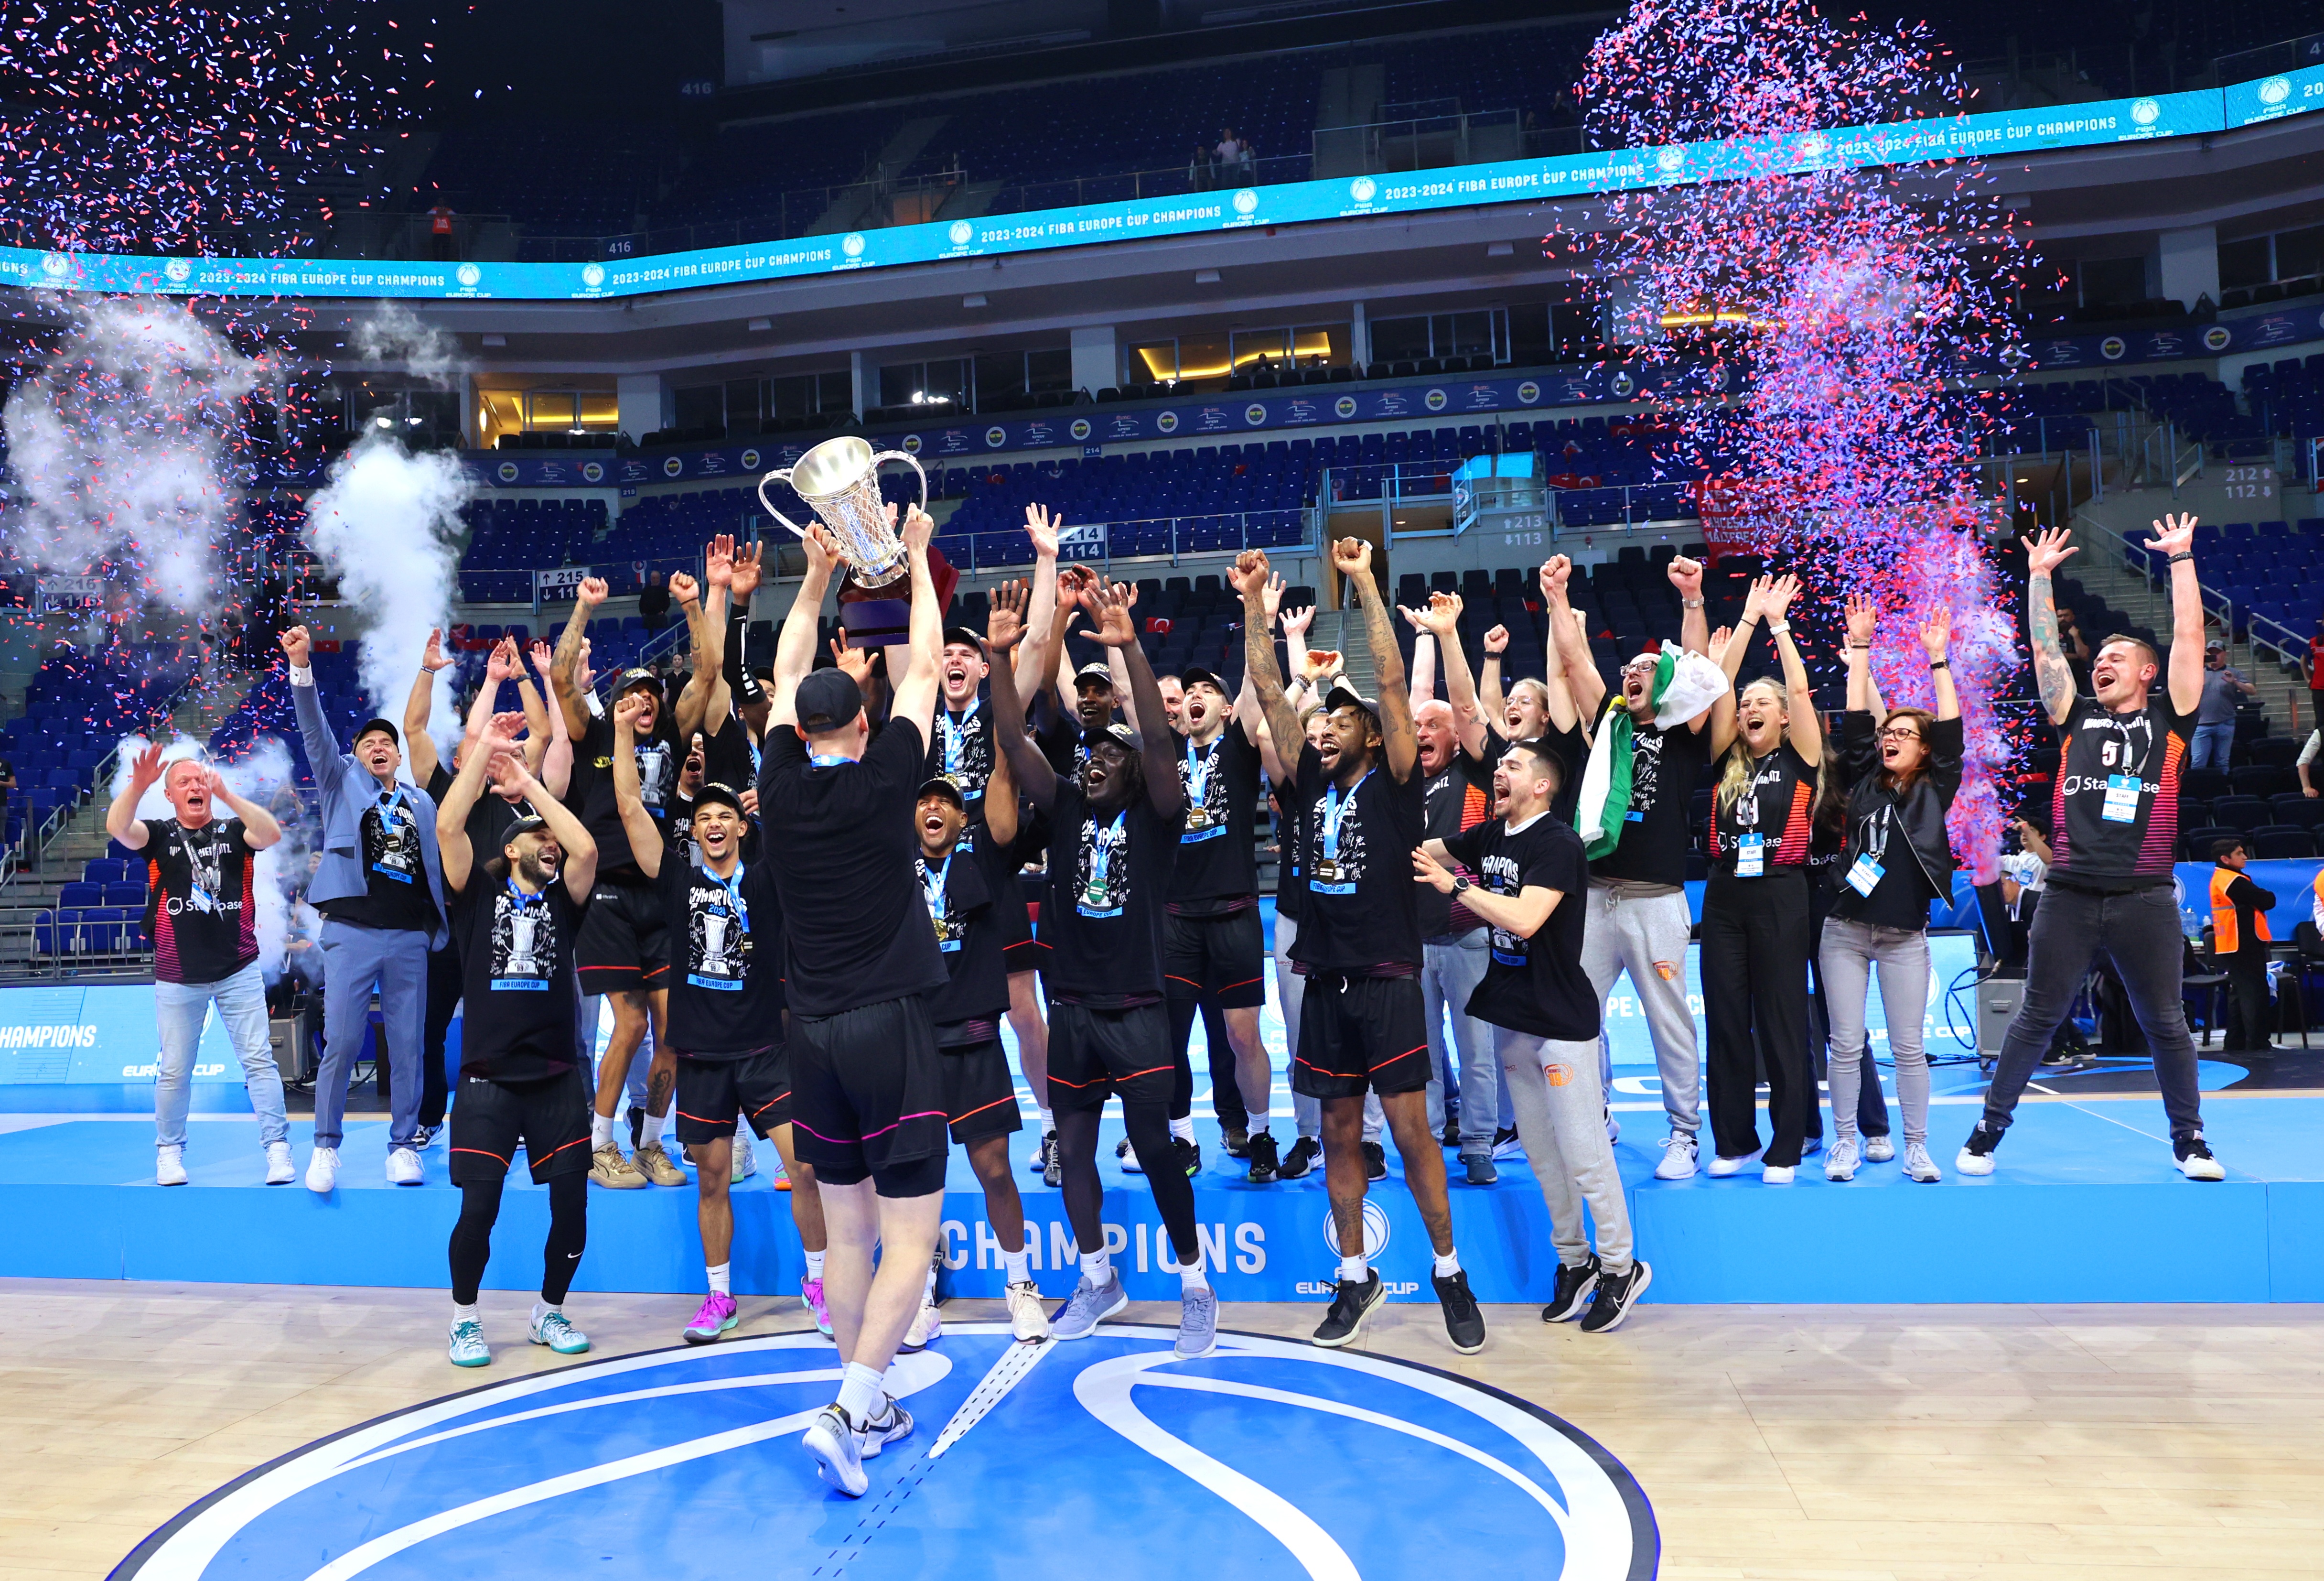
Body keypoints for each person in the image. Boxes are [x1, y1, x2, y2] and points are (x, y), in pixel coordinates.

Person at [1235, 541, 1486, 1355]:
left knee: (1410, 1132)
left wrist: (1364, 582)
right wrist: (1250, 604)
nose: (1322, 730)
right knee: (1338, 1134)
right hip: (1325, 978)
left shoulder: (1396, 782)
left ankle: (1448, 1270)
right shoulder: (1305, 781)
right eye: (1321, 723)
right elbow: (1272, 692)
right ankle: (1353, 1275)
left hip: (1386, 975)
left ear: (1373, 739)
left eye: (1340, 722)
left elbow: (1385, 680)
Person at [761, 506, 951, 1498]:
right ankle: (847, 1407)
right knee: (911, 1231)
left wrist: (810, 578)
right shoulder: (887, 781)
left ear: (797, 729)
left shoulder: (779, 781)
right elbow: (925, 659)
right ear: (864, 725)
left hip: (813, 1034)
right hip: (889, 1024)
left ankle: (865, 1400)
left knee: (845, 1234)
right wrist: (915, 559)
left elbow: (791, 665)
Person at [989, 575, 1221, 1358]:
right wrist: (999, 658)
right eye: (1089, 753)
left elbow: (1158, 743)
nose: (1093, 761)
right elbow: (1012, 741)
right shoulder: (1061, 808)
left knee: (1155, 1146)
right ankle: (1097, 1277)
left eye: (1106, 756)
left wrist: (1126, 648)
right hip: (1077, 1008)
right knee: (1075, 1153)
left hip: (1137, 1007)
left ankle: (1194, 1282)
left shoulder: (1157, 816)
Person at [1963, 520, 2225, 1180]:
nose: (2101, 664)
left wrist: (2183, 560)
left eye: (2116, 658)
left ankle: (2190, 1141)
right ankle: (1988, 1132)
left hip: (2144, 898)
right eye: (2098, 658)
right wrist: (2039, 575)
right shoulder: (2075, 717)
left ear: (2148, 672)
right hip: (2072, 894)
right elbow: (2046, 651)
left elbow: (2191, 636)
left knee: (2166, 1022)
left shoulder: (2172, 720)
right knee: (2036, 1017)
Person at [1415, 738, 1651, 1332]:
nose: (1499, 769)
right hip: (1513, 1017)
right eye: (1499, 764)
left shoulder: (1558, 844)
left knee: (1585, 1154)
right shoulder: (1491, 835)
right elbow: (1424, 847)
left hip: (1561, 1020)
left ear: (1541, 785)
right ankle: (1576, 1261)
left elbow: (1524, 917)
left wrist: (1455, 888)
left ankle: (1623, 1267)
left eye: (1512, 766)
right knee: (1544, 1157)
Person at [1551, 556, 1724, 1180]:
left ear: (1669, 683)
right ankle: (1593, 1117)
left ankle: (1684, 1134)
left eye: (1647, 669)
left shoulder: (1681, 729)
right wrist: (1558, 592)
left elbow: (1700, 670)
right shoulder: (1611, 722)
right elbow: (1574, 663)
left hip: (1655, 901)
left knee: (1669, 1023)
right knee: (1575, 1014)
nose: (1632, 674)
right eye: (1627, 668)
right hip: (1597, 896)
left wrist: (1693, 599)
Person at [433, 723, 600, 1368]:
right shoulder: (477, 895)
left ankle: (549, 1309)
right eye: (540, 837)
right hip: (487, 1077)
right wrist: (484, 757)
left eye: (551, 837)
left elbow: (585, 850)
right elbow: (450, 829)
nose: (553, 845)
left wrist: (530, 783)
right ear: (511, 850)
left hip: (558, 1075)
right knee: (480, 1207)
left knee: (573, 1205)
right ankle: (465, 1318)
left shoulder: (567, 902)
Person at [281, 624, 452, 1193]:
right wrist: (302, 666)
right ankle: (326, 1147)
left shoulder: (422, 802)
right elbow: (313, 726)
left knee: (407, 1045)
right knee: (345, 1041)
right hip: (351, 931)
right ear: (355, 755)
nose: (378, 746)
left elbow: (436, 862)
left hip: (407, 936)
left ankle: (404, 1145)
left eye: (387, 742)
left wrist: (435, 926)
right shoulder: (339, 784)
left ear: (400, 755)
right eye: (367, 742)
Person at [547, 573, 693, 1189]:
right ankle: (599, 1144)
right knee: (629, 1023)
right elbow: (560, 680)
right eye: (631, 691)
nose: (643, 699)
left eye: (651, 693)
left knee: (674, 1031)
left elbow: (708, 675)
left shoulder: (671, 736)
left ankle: (652, 1141)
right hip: (603, 889)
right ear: (616, 699)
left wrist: (696, 604)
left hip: (659, 891)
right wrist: (583, 606)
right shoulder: (596, 734)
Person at [402, 631, 567, 1150]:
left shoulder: (514, 794)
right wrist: (433, 672)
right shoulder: (442, 789)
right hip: (447, 925)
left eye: (497, 749)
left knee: (502, 1024)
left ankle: (511, 1115)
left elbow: (541, 732)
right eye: (475, 748)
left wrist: (519, 676)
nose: (488, 751)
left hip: (504, 929)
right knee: (428, 1027)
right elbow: (413, 727)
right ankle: (430, 1115)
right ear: (461, 759)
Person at [107, 747, 293, 1187]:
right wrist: (137, 785)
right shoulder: (157, 835)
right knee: (174, 1068)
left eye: (200, 780)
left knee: (259, 1062)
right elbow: (118, 827)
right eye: (185, 783)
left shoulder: (232, 831)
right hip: (177, 975)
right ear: (170, 795)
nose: (195, 787)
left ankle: (278, 1149)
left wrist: (227, 792)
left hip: (238, 968)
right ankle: (170, 1153)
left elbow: (269, 835)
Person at [1823, 596, 1961, 1184]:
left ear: (1923, 749)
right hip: (1846, 933)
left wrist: (1938, 662)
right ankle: (1846, 1143)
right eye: (1889, 732)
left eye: (1905, 733)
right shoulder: (1863, 781)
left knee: (1908, 1048)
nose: (1890, 738)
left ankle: (1916, 1147)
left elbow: (1952, 730)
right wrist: (1860, 650)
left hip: (1904, 935)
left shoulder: (1937, 786)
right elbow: (1856, 724)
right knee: (1845, 1044)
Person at [1699, 575, 1818, 1182]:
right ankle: (1735, 1139)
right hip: (1723, 895)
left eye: (1761, 703)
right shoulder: (1727, 758)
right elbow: (1717, 690)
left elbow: (1797, 686)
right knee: (1724, 1018)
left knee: (1779, 1019)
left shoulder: (1801, 755)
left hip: (1780, 891)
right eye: (1747, 703)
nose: (1749, 707)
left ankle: (1787, 1144)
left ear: (1783, 717)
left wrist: (1777, 624)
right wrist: (1743, 624)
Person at [1401, 593, 1505, 1183]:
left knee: (1477, 1051)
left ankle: (1479, 1144)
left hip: (1466, 930)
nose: (1421, 731)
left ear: (1453, 733)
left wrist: (1444, 635)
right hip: (1413, 936)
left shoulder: (1470, 768)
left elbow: (1464, 705)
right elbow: (1409, 704)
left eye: (1431, 725)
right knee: (1425, 1054)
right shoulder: (1409, 779)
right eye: (1417, 726)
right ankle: (1435, 1136)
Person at [2209, 840, 2277, 1053]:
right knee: (2255, 995)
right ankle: (2258, 1044)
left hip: (2234, 944)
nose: (2245, 857)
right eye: (2240, 853)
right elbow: (2268, 900)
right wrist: (2265, 896)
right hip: (2243, 944)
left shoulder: (2224, 878)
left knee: (2240, 996)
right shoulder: (2232, 880)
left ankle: (2235, 1043)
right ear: (2225, 859)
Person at [2191, 640, 2255, 771]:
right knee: (2198, 763)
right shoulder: (2197, 673)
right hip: (2201, 723)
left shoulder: (2233, 673)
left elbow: (2252, 690)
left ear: (2224, 654)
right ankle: (2198, 790)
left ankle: (2223, 788)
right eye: (2211, 653)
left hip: (2225, 723)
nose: (2214, 655)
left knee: (2222, 762)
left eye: (2217, 653)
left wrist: (2235, 682)